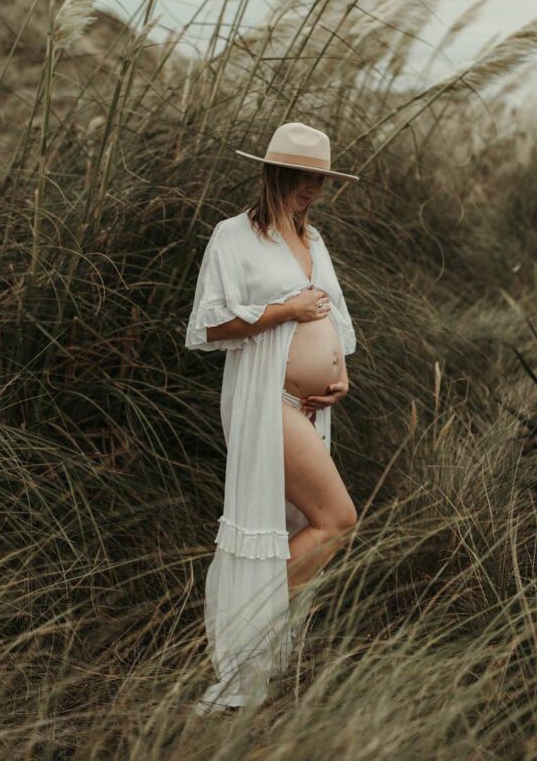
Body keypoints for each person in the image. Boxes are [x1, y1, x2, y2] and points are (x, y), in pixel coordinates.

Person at [186, 121, 360, 714]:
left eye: (319, 178)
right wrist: (283, 308)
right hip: (267, 401)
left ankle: (250, 637)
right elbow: (209, 324)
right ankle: (248, 630)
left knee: (299, 529)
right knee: (337, 519)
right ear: (272, 174)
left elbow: (335, 324)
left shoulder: (315, 240)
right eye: (300, 176)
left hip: (310, 407)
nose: (311, 188)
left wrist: (338, 381)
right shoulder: (233, 237)